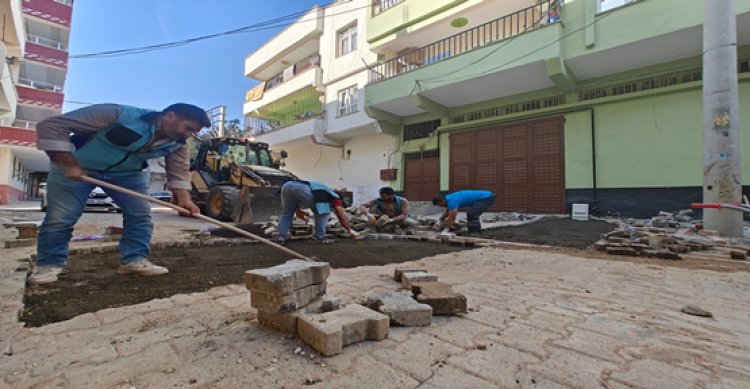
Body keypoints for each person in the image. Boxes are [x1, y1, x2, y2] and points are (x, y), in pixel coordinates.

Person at [28, 103, 211, 285]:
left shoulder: (178, 144)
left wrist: (185, 200)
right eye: (188, 128)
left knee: (140, 215)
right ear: (170, 115)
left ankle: (133, 260)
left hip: (127, 174)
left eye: (193, 132)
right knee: (61, 218)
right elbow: (50, 125)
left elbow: (178, 172)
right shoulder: (118, 115)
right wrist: (69, 163)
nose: (188, 135)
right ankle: (48, 264)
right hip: (77, 166)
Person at [277, 180, 359, 244]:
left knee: (287, 213)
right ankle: (318, 237)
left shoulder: (325, 190)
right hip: (303, 190)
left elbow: (296, 196)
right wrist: (349, 230)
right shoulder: (335, 198)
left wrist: (298, 210)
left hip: (287, 186)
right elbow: (341, 215)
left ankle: (281, 237)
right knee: (323, 212)